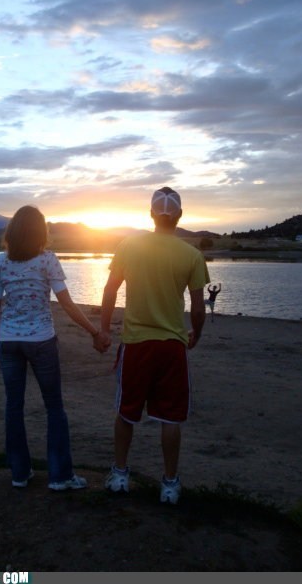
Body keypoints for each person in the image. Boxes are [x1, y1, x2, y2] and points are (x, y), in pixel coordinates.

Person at [99, 187, 210, 504]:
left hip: (136, 344)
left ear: (151, 214)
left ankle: (120, 475)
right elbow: (198, 307)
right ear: (179, 216)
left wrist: (104, 329)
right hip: (172, 346)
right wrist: (196, 333)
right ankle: (170, 485)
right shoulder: (191, 255)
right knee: (170, 417)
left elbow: (110, 290)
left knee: (126, 412)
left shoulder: (128, 246)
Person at [0, 205, 109, 491]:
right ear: (40, 232)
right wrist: (94, 332)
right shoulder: (47, 260)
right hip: (41, 341)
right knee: (54, 407)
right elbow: (66, 304)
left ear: (12, 232)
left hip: (8, 341)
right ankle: (60, 476)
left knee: (13, 407)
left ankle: (19, 474)